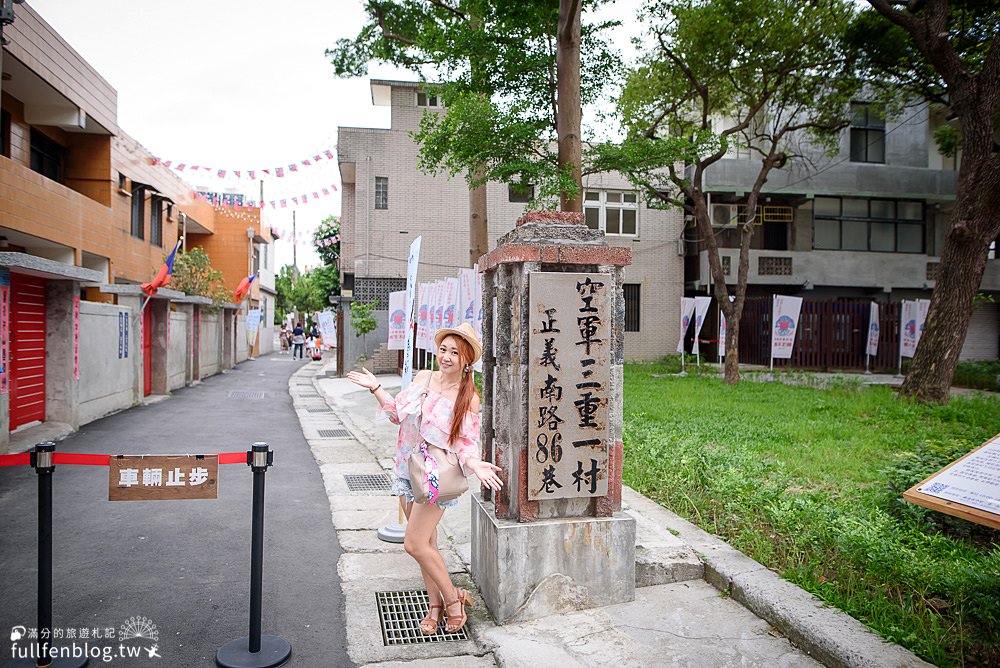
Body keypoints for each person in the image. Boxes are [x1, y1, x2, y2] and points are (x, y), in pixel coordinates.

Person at [347, 322, 502, 635]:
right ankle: (435, 608)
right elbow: (396, 415)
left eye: (454, 352)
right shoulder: (423, 379)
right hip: (408, 469)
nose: (445, 357)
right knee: (427, 545)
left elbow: (465, 443)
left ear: (466, 359)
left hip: (436, 477)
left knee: (414, 543)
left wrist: (475, 464)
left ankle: (454, 600)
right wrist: (376, 388)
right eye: (443, 349)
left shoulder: (468, 397)